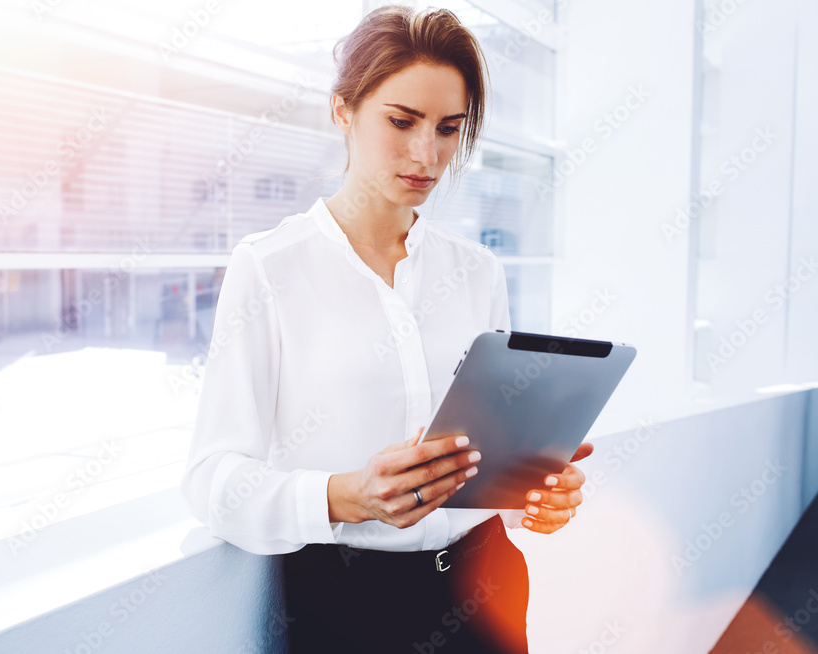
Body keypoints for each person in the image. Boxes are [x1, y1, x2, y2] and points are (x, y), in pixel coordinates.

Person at [180, 5, 591, 653]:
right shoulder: (270, 269)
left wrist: (533, 493)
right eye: (401, 122)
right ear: (343, 110)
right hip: (348, 602)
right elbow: (212, 480)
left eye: (448, 129)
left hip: (487, 581)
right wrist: (346, 496)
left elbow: (488, 458)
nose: (426, 154)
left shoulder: (477, 270)